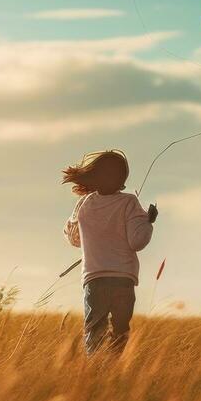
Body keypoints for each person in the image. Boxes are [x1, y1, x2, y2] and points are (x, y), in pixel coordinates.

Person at [62, 149, 157, 354]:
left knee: (94, 331)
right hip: (123, 279)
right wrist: (148, 222)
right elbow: (137, 242)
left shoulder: (84, 204)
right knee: (120, 331)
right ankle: (112, 367)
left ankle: (96, 371)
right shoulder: (129, 202)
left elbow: (73, 239)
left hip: (94, 279)